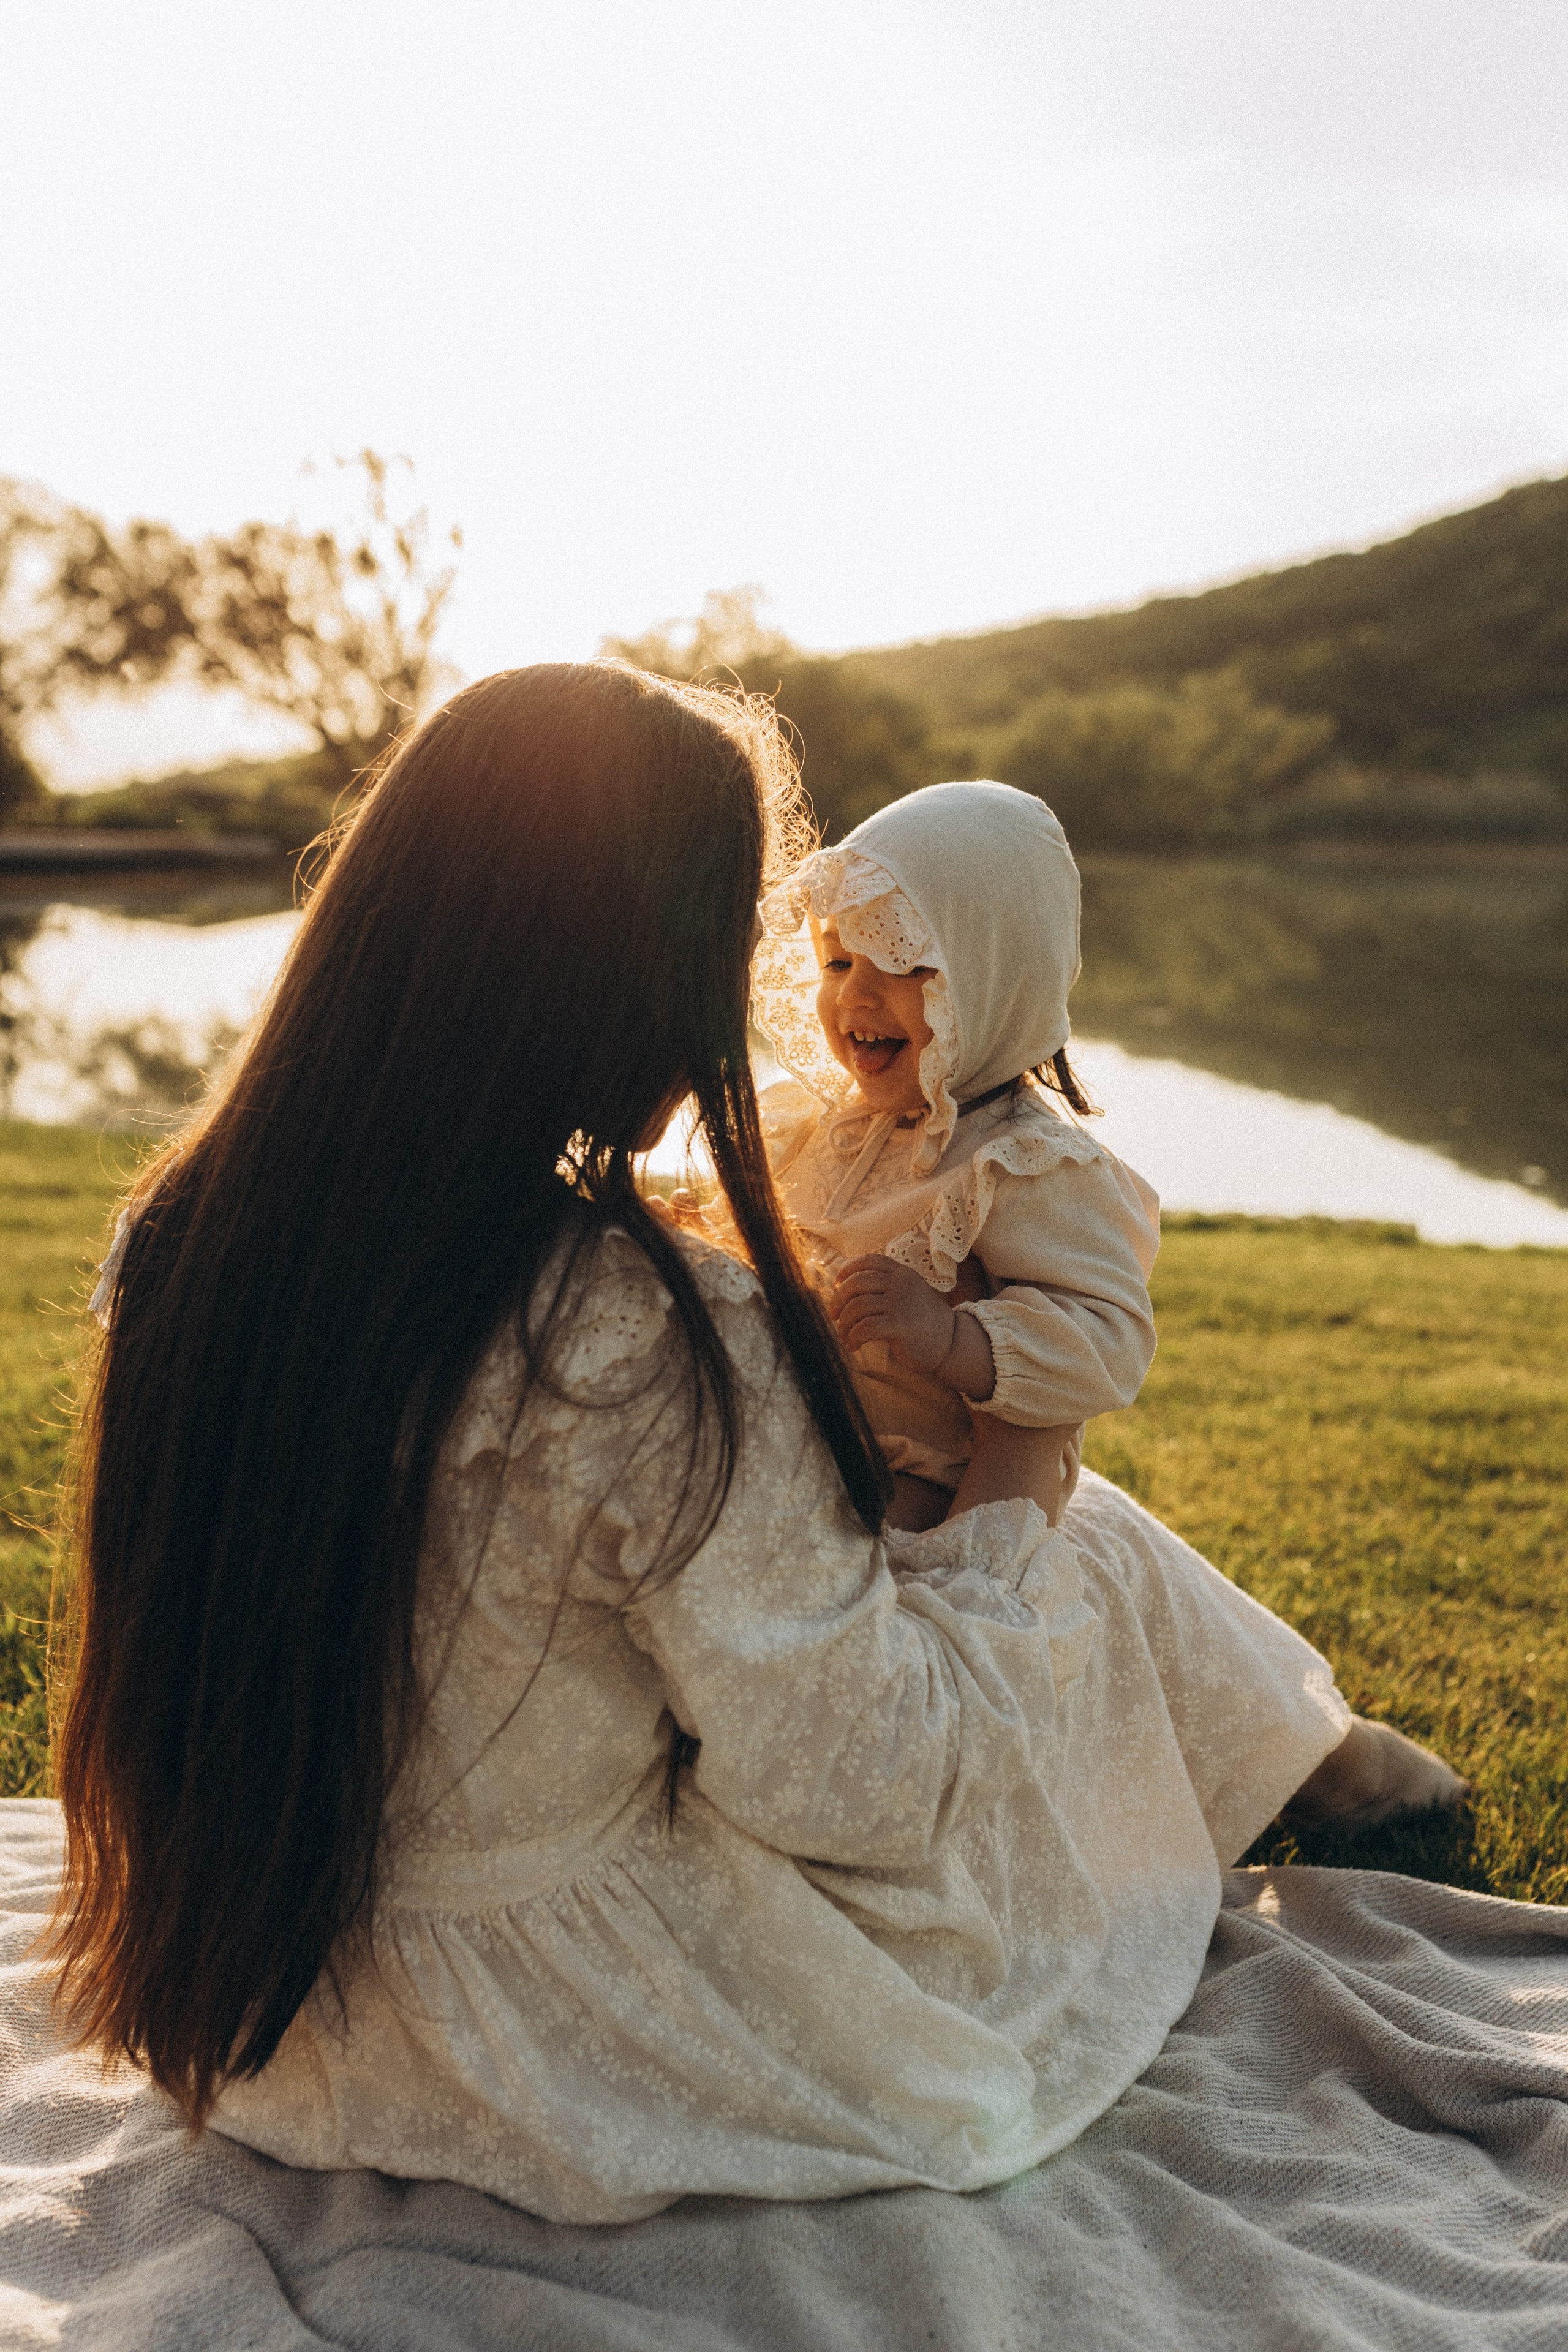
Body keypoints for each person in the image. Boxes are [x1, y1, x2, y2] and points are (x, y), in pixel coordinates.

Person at [48, 663, 1464, 2227]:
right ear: (601, 968)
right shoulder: (630, 1341)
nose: (734, 1004)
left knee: (1045, 1536)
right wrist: (1003, 1499)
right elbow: (870, 1788)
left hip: (267, 2004)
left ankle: (1326, 1750)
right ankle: (1330, 1757)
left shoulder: (180, 1239)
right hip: (563, 2050)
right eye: (719, 951)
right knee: (1068, 1540)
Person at [750, 780, 1156, 1534]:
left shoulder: (1023, 1162)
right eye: (838, 963)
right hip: (799, 1439)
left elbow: (1106, 1343)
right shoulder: (816, 1122)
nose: (855, 999)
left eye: (902, 965)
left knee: (787, 1537)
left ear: (995, 979)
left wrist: (951, 1340)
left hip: (927, 1486)